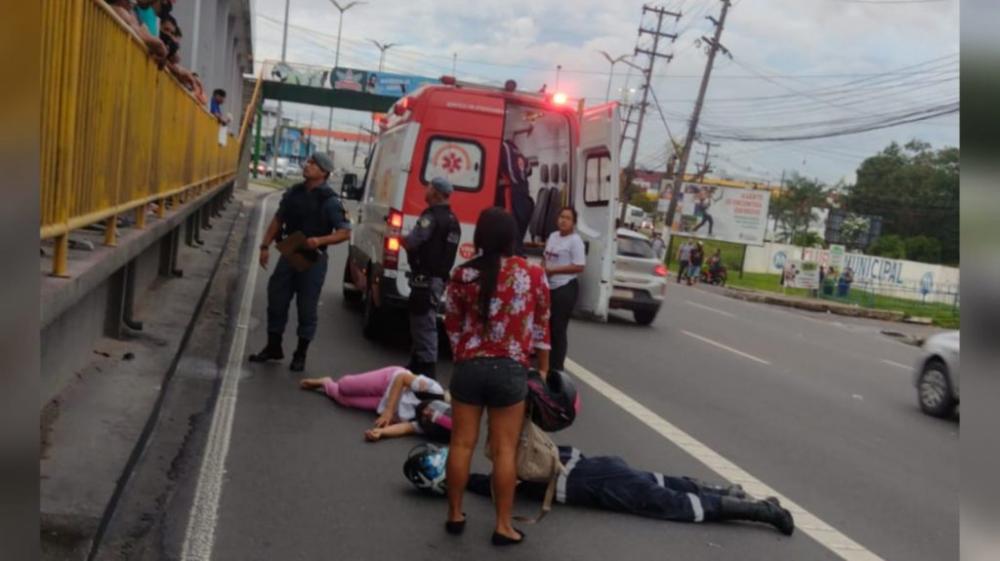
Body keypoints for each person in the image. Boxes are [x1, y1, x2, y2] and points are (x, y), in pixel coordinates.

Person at [442, 207, 551, 546]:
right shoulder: (533, 275)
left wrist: (465, 353)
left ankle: (455, 514)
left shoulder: (462, 275)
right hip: (510, 370)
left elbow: (451, 323)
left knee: (461, 443)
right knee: (505, 451)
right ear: (511, 238)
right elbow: (541, 328)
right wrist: (542, 368)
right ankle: (503, 525)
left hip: (469, 368)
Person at [427, 445, 793, 535]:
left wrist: (451, 486)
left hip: (590, 483)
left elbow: (480, 483)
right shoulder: (519, 450)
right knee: (661, 481)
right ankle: (743, 496)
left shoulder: (506, 479)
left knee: (675, 504)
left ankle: (762, 512)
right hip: (594, 464)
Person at [249, 152, 351, 371]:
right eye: (309, 162)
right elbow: (278, 219)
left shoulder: (330, 200)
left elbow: (344, 232)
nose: (307, 165)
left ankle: (300, 353)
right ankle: (273, 347)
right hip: (290, 251)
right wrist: (264, 246)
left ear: (323, 172)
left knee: (306, 307)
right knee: (276, 299)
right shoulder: (294, 192)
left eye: (313, 164)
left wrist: (320, 240)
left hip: (313, 258)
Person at [402, 177, 461, 379]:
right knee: (422, 320)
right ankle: (414, 368)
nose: (425, 191)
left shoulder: (431, 217)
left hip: (425, 278)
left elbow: (413, 241)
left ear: (435, 192)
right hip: (439, 279)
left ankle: (427, 374)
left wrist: (401, 239)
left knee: (423, 323)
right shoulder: (453, 220)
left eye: (429, 188)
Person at [299, 365, 449, 442]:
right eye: (431, 411)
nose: (425, 413)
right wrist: (389, 411)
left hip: (382, 403)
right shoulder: (434, 390)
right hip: (390, 381)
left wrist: (381, 433)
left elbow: (405, 428)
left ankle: (325, 382)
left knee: (342, 399)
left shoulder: (426, 427)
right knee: (345, 385)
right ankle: (337, 384)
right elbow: (402, 378)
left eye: (426, 418)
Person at [544, 207, 586, 373]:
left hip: (565, 287)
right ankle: (544, 364)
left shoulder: (575, 241)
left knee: (558, 328)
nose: (563, 220)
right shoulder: (553, 236)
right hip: (549, 286)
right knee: (545, 326)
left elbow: (579, 266)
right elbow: (545, 258)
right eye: (561, 217)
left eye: (568, 218)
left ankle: (557, 368)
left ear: (573, 223)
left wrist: (554, 271)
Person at [497, 140, 534, 255]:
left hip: (511, 193)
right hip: (524, 194)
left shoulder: (502, 147)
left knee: (510, 224)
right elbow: (529, 170)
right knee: (518, 226)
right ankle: (517, 249)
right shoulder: (519, 152)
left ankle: (512, 251)